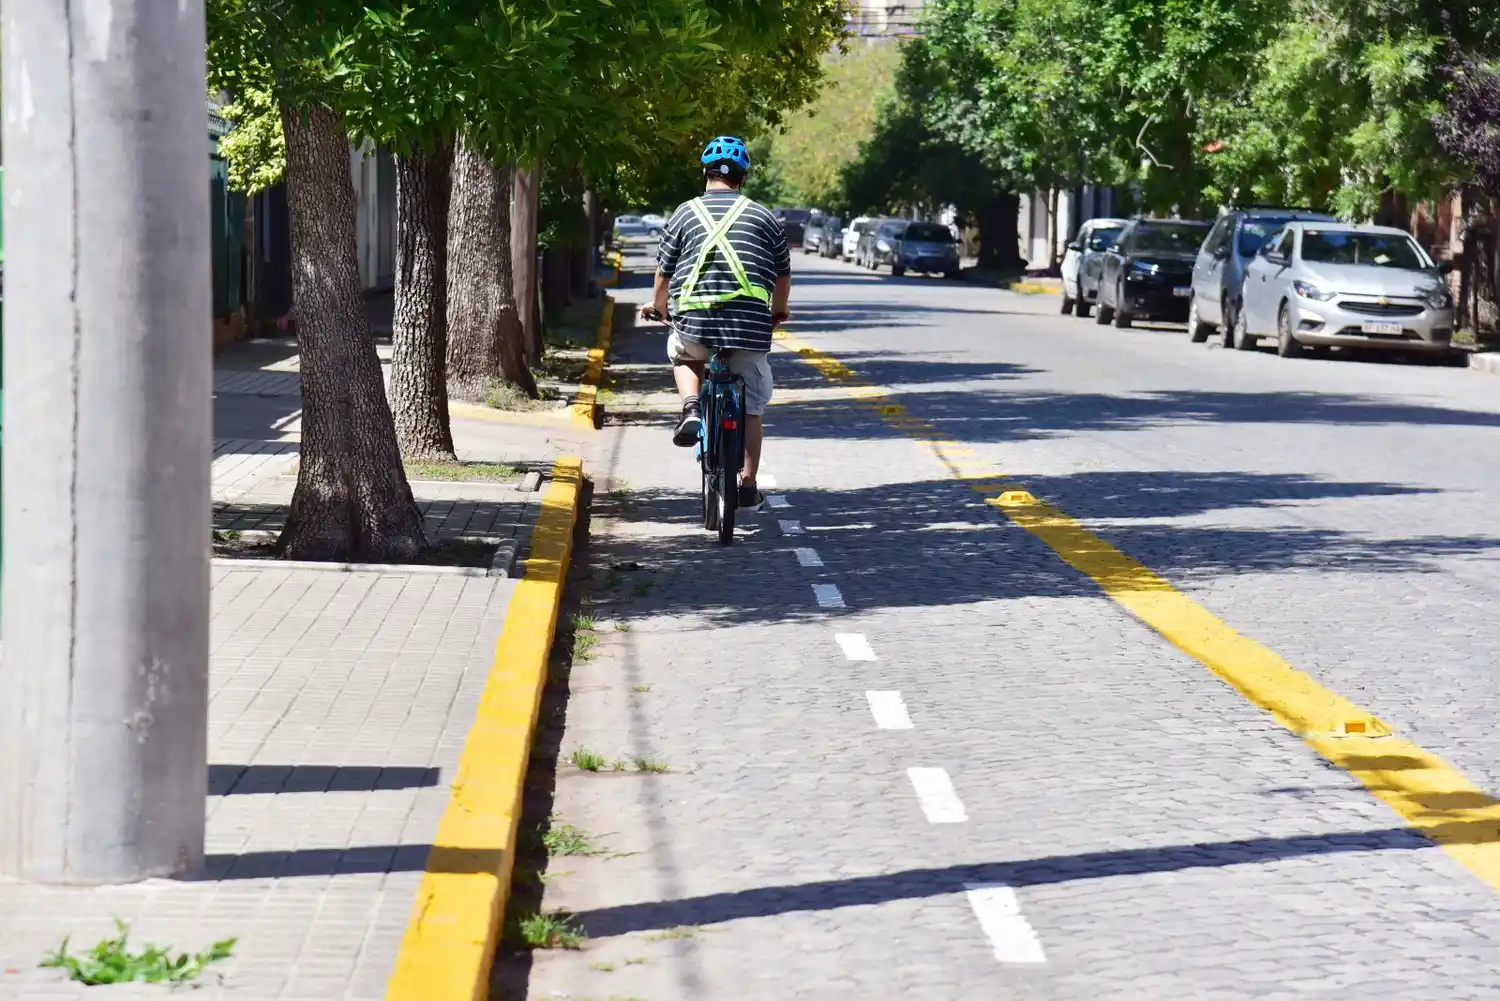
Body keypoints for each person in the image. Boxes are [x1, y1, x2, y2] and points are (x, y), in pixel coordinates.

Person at [640, 135, 791, 509]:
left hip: (695, 321)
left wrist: (658, 306)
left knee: (683, 355)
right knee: (752, 408)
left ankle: (692, 406)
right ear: (742, 179)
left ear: (705, 175)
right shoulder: (764, 216)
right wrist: (778, 311)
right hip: (749, 326)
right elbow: (783, 275)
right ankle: (748, 484)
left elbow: (665, 272)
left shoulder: (683, 213)